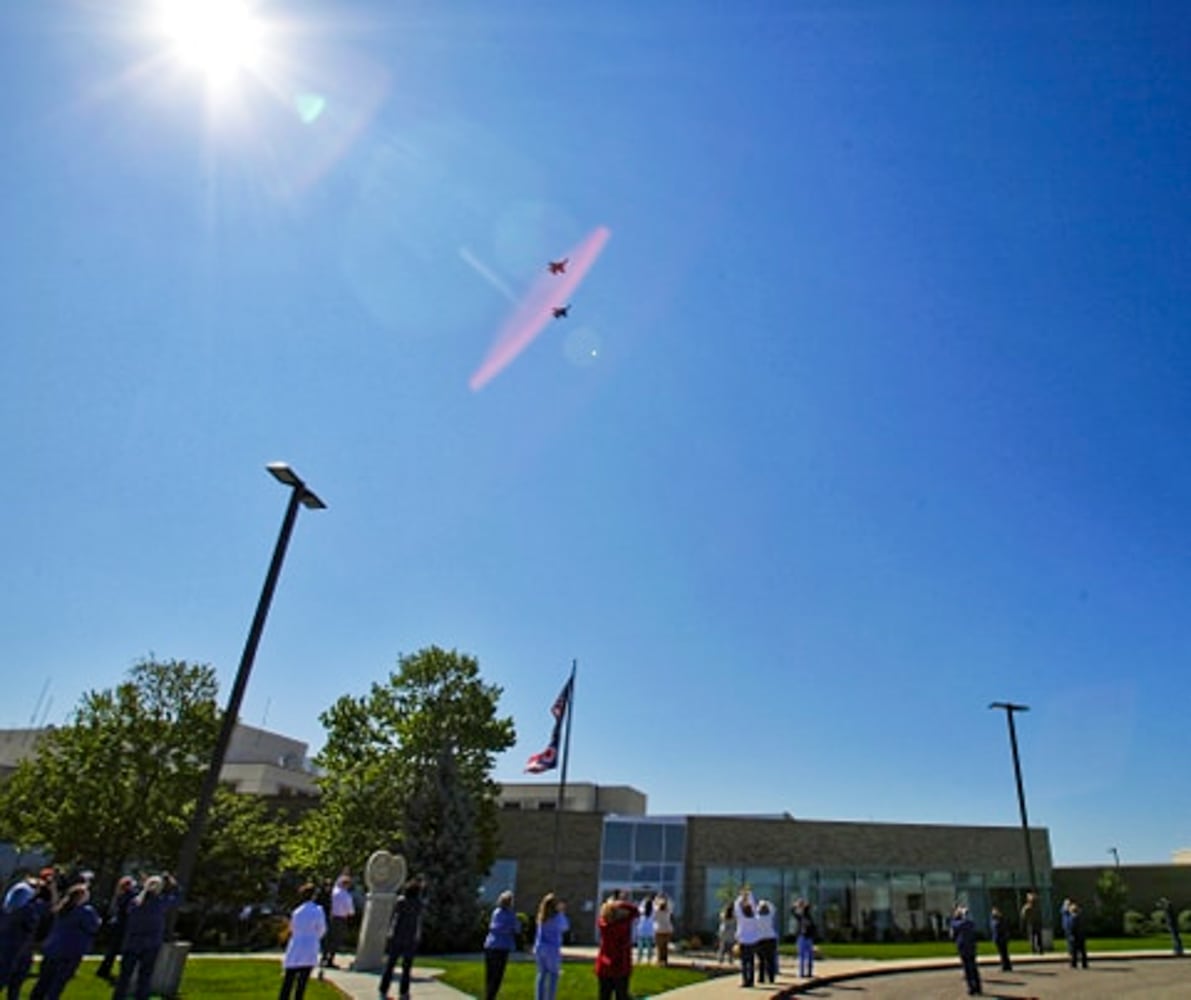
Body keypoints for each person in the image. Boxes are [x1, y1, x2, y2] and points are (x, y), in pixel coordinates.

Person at [112, 872, 180, 1000]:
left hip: (132, 942)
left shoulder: (135, 903)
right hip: (151, 944)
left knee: (124, 977)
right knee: (145, 976)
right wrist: (172, 884)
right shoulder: (161, 903)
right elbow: (176, 898)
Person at [27, 883, 100, 1000]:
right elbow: (93, 927)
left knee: (43, 981)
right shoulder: (85, 911)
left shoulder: (62, 908)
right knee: (57, 984)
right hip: (70, 951)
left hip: (52, 948)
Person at [379, 877, 424, 1000]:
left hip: (397, 936)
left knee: (390, 965)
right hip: (410, 937)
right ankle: (404, 992)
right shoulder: (419, 904)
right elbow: (419, 921)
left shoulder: (401, 901)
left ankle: (383, 989)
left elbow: (395, 919)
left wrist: (390, 933)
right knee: (407, 967)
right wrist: (417, 935)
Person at [279, 883, 326, 1000]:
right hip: (310, 945)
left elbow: (292, 928)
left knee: (289, 979)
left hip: (296, 944)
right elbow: (322, 928)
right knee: (302, 981)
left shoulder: (297, 911)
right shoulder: (318, 910)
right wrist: (315, 937)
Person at [594, 892, 637, 1000]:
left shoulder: (603, 924)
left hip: (604, 965)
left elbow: (603, 916)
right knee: (621, 995)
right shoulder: (624, 925)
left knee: (604, 995)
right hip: (621, 966)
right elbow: (635, 911)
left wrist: (611, 904)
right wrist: (621, 902)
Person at [95, 876, 136, 982]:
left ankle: (103, 970)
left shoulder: (120, 895)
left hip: (117, 924)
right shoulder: (129, 896)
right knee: (119, 950)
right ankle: (112, 971)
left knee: (112, 950)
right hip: (123, 926)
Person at [483, 890, 519, 1000]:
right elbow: (517, 929)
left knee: (489, 975)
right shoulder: (511, 915)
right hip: (502, 947)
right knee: (497, 976)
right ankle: (491, 997)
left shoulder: (495, 912)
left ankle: (488, 996)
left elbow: (493, 927)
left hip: (490, 945)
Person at [532, 892, 568, 1000]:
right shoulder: (557, 917)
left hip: (539, 947)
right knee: (553, 975)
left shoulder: (541, 916)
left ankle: (539, 997)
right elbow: (565, 927)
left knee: (541, 975)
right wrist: (562, 912)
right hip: (552, 949)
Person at [323, 872, 355, 970]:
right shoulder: (346, 896)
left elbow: (337, 882)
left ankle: (324, 957)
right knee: (336, 940)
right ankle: (330, 959)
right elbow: (350, 911)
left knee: (329, 938)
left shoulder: (335, 892)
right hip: (341, 918)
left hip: (332, 916)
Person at [950, 904, 982, 996]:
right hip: (971, 947)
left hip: (964, 948)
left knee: (968, 969)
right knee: (974, 968)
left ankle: (971, 987)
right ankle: (978, 987)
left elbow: (953, 926)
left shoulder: (960, 924)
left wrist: (957, 914)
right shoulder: (971, 923)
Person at [733, 889, 760, 988]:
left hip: (743, 942)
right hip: (753, 941)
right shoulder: (755, 918)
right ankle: (751, 981)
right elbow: (753, 905)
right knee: (751, 962)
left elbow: (736, 906)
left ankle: (745, 981)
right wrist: (749, 895)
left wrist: (741, 896)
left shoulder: (741, 918)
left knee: (744, 963)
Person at [755, 899, 778, 984]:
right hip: (771, 939)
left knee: (761, 960)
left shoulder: (756, 918)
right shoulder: (770, 917)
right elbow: (773, 908)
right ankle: (771, 978)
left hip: (760, 940)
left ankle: (761, 978)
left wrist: (759, 904)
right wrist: (766, 902)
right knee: (770, 960)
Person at [794, 898, 817, 979]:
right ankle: (808, 972)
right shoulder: (808, 918)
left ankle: (802, 973)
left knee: (802, 956)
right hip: (807, 937)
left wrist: (797, 905)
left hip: (803, 937)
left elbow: (793, 911)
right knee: (808, 956)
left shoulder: (802, 917)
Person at [652, 894, 674, 966]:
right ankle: (665, 961)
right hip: (667, 929)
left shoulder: (656, 910)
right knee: (665, 947)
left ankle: (659, 961)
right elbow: (671, 905)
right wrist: (666, 899)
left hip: (658, 929)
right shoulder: (668, 910)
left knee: (659, 947)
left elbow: (654, 905)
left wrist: (656, 899)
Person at [1065, 900, 1088, 969]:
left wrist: (1070, 934)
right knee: (1082, 951)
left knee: (1073, 951)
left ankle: (1073, 963)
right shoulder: (1080, 917)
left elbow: (1071, 928)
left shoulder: (1072, 918)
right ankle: (1084, 963)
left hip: (1074, 937)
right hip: (1081, 936)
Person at [989, 906, 1012, 971]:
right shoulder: (994, 919)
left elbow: (1001, 928)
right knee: (1002, 952)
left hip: (1001, 938)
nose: (993, 912)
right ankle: (1006, 965)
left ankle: (1005, 966)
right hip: (997, 937)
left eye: (995, 911)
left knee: (1003, 953)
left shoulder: (1001, 919)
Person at [635, 896, 655, 965]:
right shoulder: (653, 911)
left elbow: (640, 906)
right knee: (649, 947)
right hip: (649, 931)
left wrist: (644, 900)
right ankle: (649, 960)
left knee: (640, 947)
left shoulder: (641, 910)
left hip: (641, 931)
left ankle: (639, 960)